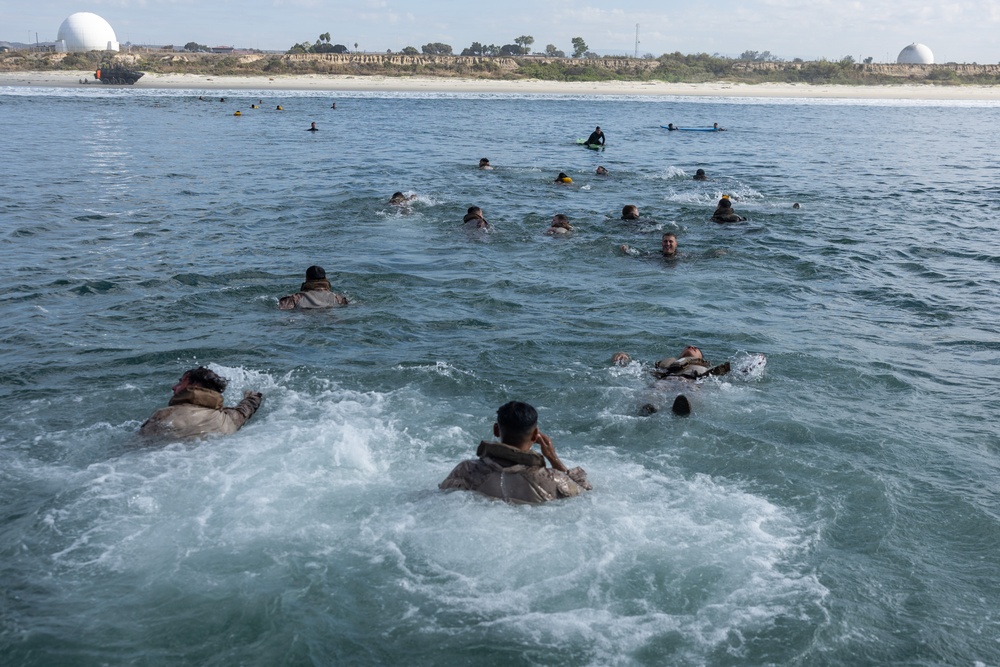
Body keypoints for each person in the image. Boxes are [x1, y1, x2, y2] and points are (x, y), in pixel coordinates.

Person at [439, 401, 592, 504]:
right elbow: (585, 494)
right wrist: (553, 458)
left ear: (496, 430)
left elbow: (442, 497)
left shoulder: (467, 471)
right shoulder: (552, 479)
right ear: (535, 435)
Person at [139, 367, 263, 439]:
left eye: (181, 382)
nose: (174, 387)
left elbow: (136, 448)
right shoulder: (228, 419)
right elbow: (245, 410)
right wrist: (253, 396)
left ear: (195, 386)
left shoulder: (164, 415)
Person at [611, 345, 730, 415]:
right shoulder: (668, 364)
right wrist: (623, 358)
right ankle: (649, 407)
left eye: (696, 349)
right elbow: (639, 369)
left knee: (692, 393)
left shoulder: (707, 368)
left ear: (701, 358)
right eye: (687, 347)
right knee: (653, 390)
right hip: (666, 380)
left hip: (692, 382)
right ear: (681, 355)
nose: (691, 347)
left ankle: (683, 408)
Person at [278, 265, 348, 310]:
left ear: (306, 278)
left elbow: (282, 309)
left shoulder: (295, 298)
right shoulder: (339, 298)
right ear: (326, 278)